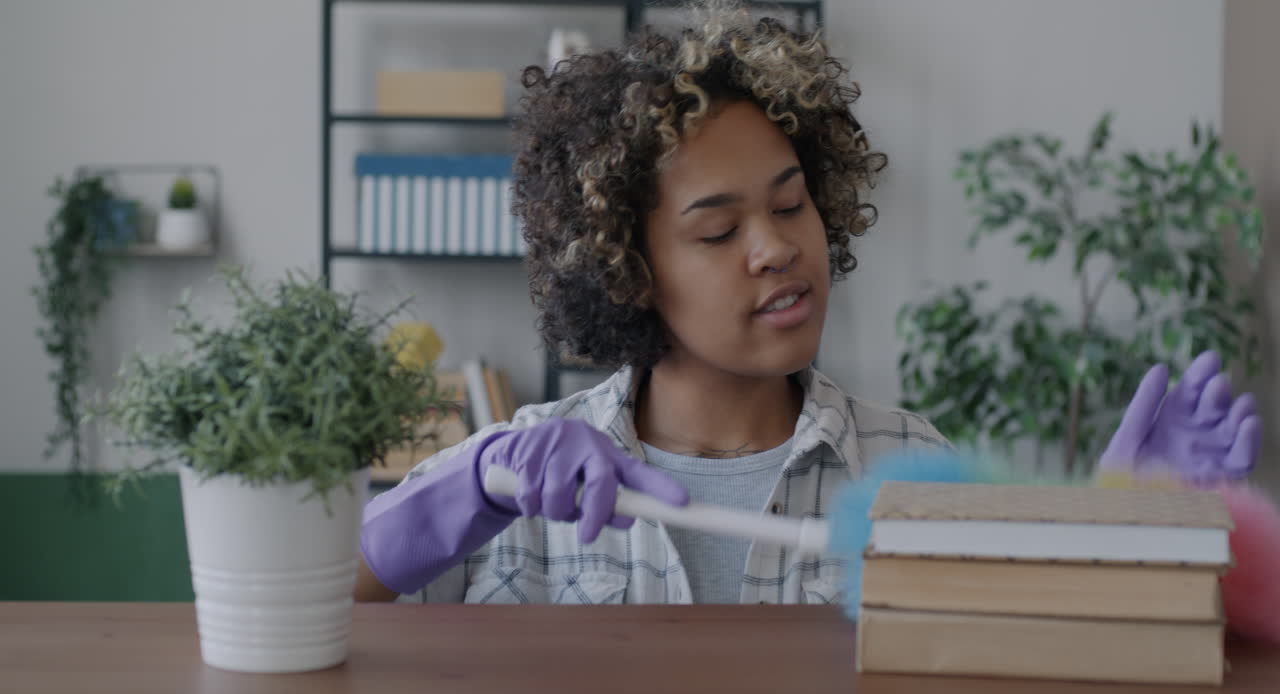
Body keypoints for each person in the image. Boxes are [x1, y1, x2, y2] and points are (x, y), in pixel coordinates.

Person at [357, 1, 1260, 605]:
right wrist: (471, 484)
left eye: (792, 205)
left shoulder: (909, 466)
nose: (778, 246)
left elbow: (1015, 665)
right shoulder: (524, 480)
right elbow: (309, 605)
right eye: (718, 232)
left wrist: (1122, 527)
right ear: (625, 269)